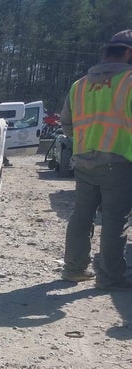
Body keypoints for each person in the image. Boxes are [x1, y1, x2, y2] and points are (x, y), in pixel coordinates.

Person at [60, 29, 132, 290]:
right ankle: (111, 276)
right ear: (127, 53)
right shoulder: (129, 81)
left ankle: (73, 269)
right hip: (119, 160)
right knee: (114, 221)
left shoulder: (80, 84)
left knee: (81, 215)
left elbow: (66, 123)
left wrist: (82, 143)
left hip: (84, 160)